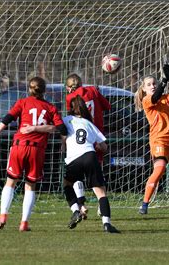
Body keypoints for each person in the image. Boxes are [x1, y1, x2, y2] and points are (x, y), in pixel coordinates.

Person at [0, 76, 67, 232]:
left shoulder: (22, 102)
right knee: (30, 186)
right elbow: (61, 129)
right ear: (44, 91)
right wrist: (60, 141)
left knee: (10, 182)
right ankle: (24, 223)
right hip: (36, 150)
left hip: (19, 146)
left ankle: (3, 215)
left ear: (29, 89)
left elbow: (7, 119)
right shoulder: (51, 108)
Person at [61, 95, 120, 233]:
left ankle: (76, 210)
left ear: (71, 108)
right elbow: (104, 147)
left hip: (73, 159)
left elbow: (59, 131)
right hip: (90, 156)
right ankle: (107, 224)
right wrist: (100, 147)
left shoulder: (66, 120)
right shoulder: (90, 124)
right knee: (101, 193)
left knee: (67, 184)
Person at [134, 65, 169, 215]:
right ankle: (144, 205)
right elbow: (156, 96)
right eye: (149, 84)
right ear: (143, 89)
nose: (153, 86)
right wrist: (164, 80)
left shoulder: (165, 99)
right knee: (160, 169)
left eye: (154, 83)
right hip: (159, 141)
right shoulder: (147, 100)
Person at [65, 73, 112, 219]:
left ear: (68, 88)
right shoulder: (92, 90)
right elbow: (107, 106)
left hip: (79, 139)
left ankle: (81, 205)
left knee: (75, 171)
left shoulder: (69, 98)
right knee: (98, 175)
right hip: (96, 136)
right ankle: (101, 205)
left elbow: (71, 116)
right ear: (82, 83)